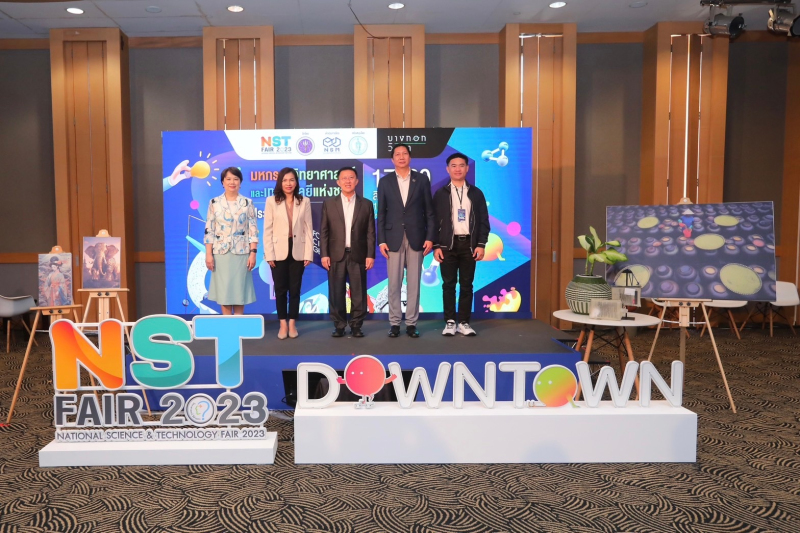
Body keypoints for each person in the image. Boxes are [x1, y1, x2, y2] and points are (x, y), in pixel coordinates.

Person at [377, 143, 435, 338]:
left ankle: (411, 323)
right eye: (397, 154)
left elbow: (429, 211)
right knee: (394, 283)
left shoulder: (421, 179)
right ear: (392, 159)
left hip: (417, 237)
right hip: (392, 238)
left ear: (410, 157)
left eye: (404, 154)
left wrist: (430, 237)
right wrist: (381, 240)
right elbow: (381, 213)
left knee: (414, 283)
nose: (401, 157)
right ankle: (394, 323)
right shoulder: (385, 182)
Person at [433, 153, 490, 336]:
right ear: (447, 169)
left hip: (469, 245)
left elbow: (484, 221)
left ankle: (464, 322)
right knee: (448, 285)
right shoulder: (440, 194)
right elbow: (433, 222)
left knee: (467, 285)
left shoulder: (476, 193)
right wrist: (436, 246)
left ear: (467, 168)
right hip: (447, 246)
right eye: (454, 165)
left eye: (461, 165)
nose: (458, 169)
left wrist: (481, 244)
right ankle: (450, 322)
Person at [320, 167, 376, 338]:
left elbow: (370, 232)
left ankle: (356, 325)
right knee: (336, 292)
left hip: (358, 254)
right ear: (338, 182)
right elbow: (324, 231)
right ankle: (339, 325)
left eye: (351, 177)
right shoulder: (329, 203)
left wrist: (370, 255)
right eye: (344, 178)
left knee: (358, 292)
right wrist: (324, 254)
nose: (348, 181)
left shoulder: (366, 204)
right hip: (335, 254)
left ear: (357, 181)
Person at [263, 167, 313, 339]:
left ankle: (292, 323)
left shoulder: (304, 201)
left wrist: (308, 253)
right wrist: (269, 254)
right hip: (278, 251)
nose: (288, 183)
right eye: (285, 180)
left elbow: (308, 228)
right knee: (280, 289)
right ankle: (282, 324)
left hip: (298, 249)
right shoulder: (271, 201)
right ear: (280, 182)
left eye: (292, 180)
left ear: (296, 182)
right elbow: (267, 230)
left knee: (295, 289)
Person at [204, 167, 259, 315]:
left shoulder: (247, 203)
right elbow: (209, 230)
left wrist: (253, 253)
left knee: (239, 292)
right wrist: (208, 254)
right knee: (225, 292)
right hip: (220, 253)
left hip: (241, 252)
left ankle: (238, 324)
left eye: (235, 179)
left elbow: (253, 229)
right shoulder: (214, 202)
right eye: (228, 179)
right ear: (222, 182)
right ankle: (227, 324)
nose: (232, 182)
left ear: (240, 182)